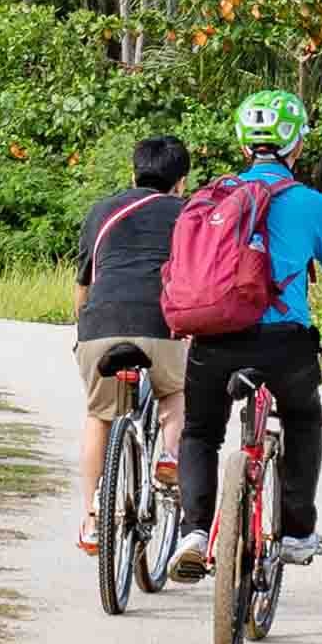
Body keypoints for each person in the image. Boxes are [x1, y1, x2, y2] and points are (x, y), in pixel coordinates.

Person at [166, 90, 322, 583]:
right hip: (285, 343)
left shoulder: (210, 198)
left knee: (200, 433)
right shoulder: (315, 205)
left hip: (215, 340)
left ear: (243, 143)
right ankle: (297, 532)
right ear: (296, 145)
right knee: (303, 419)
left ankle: (193, 532)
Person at [70, 133, 195, 556]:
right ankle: (171, 457)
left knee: (99, 417)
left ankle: (90, 518)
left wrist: (83, 331)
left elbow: (83, 287)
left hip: (100, 326)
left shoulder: (100, 212)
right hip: (163, 326)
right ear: (181, 181)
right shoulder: (190, 213)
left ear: (134, 171)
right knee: (176, 393)